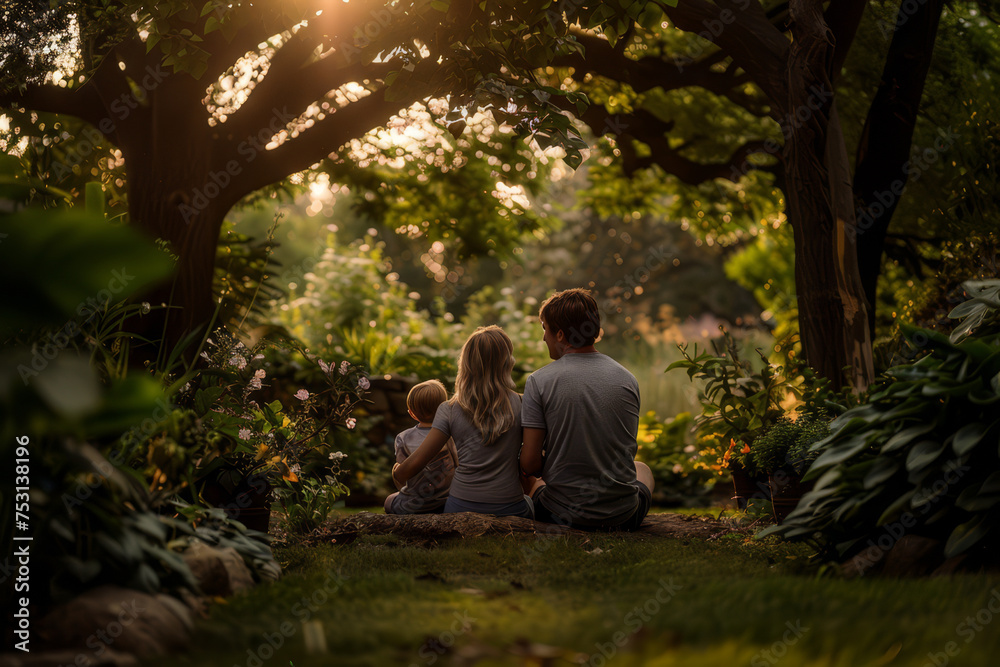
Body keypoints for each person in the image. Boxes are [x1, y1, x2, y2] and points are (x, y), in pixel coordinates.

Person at [519, 288, 654, 531]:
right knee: (642, 469)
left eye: (544, 329)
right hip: (622, 517)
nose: (543, 338)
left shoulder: (539, 381)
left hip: (558, 514)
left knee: (528, 475)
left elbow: (529, 464)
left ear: (560, 334)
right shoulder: (627, 378)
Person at [392, 325, 533, 518]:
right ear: (507, 362)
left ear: (466, 363)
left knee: (391, 498)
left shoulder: (448, 409)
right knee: (530, 500)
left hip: (459, 507)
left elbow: (415, 464)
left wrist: (397, 473)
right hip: (510, 506)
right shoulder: (523, 402)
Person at [383, 379, 458, 515]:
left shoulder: (403, 437)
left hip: (414, 505)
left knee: (389, 500)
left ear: (411, 413)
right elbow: (457, 463)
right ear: (444, 409)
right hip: (446, 502)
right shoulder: (450, 436)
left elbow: (403, 472)